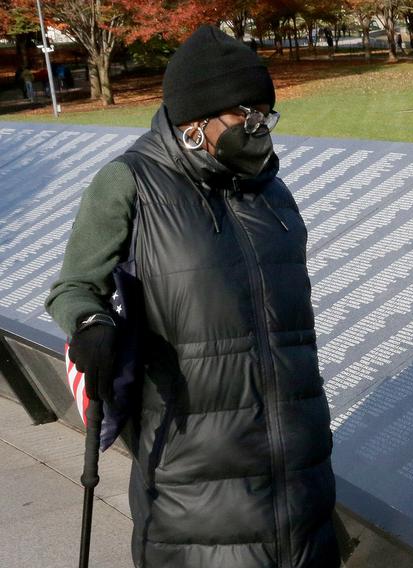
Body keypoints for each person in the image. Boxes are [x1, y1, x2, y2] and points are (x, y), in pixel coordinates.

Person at [45, 25, 339, 568]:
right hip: (194, 482)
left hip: (301, 480)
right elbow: (74, 287)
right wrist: (89, 325)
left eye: (265, 115)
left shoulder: (273, 193)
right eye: (245, 115)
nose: (259, 129)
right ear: (195, 122)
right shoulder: (130, 182)